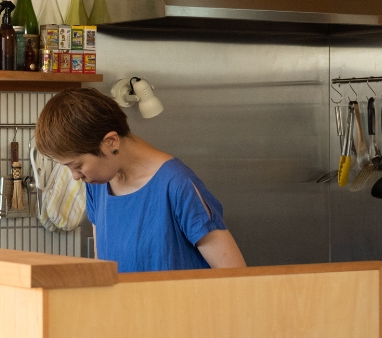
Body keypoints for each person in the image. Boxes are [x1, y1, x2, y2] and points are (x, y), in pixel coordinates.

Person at [34, 87, 246, 272]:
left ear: (110, 142)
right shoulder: (97, 185)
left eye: (78, 165)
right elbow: (104, 267)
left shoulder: (176, 185)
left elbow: (236, 275)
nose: (75, 176)